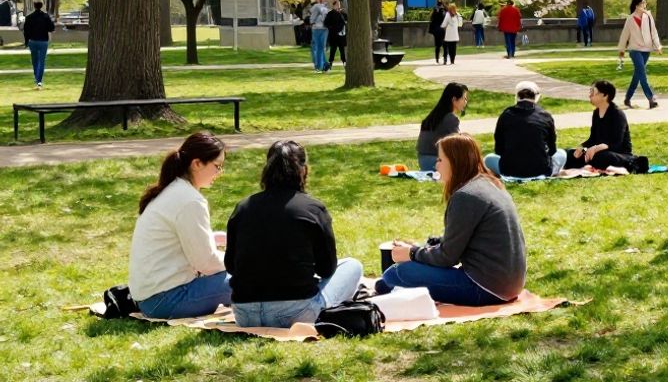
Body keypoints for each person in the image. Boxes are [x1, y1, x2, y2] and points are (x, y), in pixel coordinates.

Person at [226, 141, 363, 328]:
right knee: (352, 266)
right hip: (296, 312)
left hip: (245, 313)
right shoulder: (312, 208)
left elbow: (231, 266)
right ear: (303, 170)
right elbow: (326, 269)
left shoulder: (243, 207)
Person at [379, 134, 526, 305]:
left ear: (455, 162)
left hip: (485, 288)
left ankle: (392, 287)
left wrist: (411, 254)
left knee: (394, 275)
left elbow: (448, 257)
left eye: (441, 160)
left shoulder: (466, 196)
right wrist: (420, 250)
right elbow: (460, 242)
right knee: (393, 278)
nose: (436, 165)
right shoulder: (490, 184)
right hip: (507, 284)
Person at [128, 133, 233, 319]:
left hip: (149, 298)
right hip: (166, 300)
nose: (219, 173)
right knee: (251, 279)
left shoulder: (173, 190)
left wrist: (213, 238)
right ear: (197, 163)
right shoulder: (190, 200)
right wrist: (240, 260)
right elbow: (206, 263)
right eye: (217, 166)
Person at [485, 82, 567, 178]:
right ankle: (552, 172)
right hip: (540, 170)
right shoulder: (546, 116)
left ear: (517, 96)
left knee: (488, 158)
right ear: (537, 97)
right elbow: (552, 150)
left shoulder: (506, 115)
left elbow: (498, 150)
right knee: (561, 153)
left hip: (509, 170)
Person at [564, 80, 648, 173]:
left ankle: (633, 163)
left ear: (605, 95)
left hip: (618, 154)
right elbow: (592, 139)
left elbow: (616, 144)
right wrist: (582, 147)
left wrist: (597, 148)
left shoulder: (617, 114)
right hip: (598, 152)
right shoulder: (596, 113)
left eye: (593, 92)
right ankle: (588, 164)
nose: (590, 95)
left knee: (601, 157)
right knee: (569, 154)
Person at [617, 0, 663, 109]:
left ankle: (627, 99)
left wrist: (658, 46)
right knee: (642, 74)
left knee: (637, 75)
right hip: (634, 50)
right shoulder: (630, 19)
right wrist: (622, 50)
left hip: (646, 49)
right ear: (637, 5)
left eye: (645, 3)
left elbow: (654, 32)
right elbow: (624, 36)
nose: (644, 5)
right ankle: (651, 98)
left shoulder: (648, 17)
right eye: (642, 3)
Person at [417, 82, 469, 171]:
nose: (465, 102)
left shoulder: (433, 116)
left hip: (423, 162)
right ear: (454, 100)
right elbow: (458, 146)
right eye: (464, 98)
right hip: (437, 163)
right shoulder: (450, 118)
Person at [21, 0, 55, 89]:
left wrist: (26, 42)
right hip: (43, 41)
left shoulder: (29, 17)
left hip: (33, 41)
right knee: (42, 61)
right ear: (41, 6)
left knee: (35, 61)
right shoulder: (46, 16)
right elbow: (51, 28)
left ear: (34, 6)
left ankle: (37, 78)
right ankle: (39, 81)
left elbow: (26, 31)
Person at [308, 0, 330, 73]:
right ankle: (324, 65)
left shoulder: (317, 6)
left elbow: (311, 16)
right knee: (321, 47)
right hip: (324, 29)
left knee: (318, 48)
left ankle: (320, 66)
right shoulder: (326, 7)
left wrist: (312, 22)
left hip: (317, 28)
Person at [323, 0, 347, 70]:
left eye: (339, 4)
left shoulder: (342, 13)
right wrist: (332, 28)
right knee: (333, 50)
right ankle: (330, 64)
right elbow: (326, 23)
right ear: (334, 5)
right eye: (337, 4)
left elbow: (345, 21)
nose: (338, 6)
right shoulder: (330, 14)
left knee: (342, 51)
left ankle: (344, 63)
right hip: (333, 35)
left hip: (341, 36)